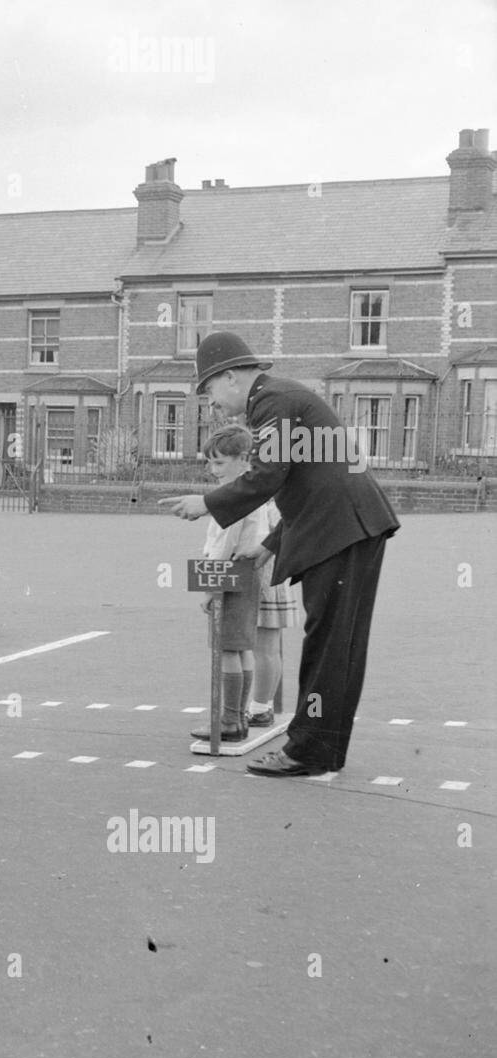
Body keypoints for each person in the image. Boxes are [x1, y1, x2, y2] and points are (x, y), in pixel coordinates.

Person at [162, 331, 399, 777]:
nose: (211, 403)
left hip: (342, 530)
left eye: (209, 390)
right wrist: (267, 546)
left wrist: (207, 502)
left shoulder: (271, 402)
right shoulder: (284, 397)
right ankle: (323, 750)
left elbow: (270, 476)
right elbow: (305, 479)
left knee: (327, 646)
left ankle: (307, 752)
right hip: (353, 526)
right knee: (340, 647)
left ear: (230, 376)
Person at [185, 426, 269, 743]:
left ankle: (230, 721)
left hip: (231, 570)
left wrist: (211, 588)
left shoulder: (233, 499)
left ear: (243, 460)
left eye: (219, 463)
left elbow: (223, 545)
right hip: (248, 570)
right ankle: (239, 716)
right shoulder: (250, 494)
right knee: (241, 647)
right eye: (210, 463)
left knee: (226, 649)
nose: (212, 470)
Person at [249, 498, 299, 728]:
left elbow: (278, 538)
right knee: (268, 647)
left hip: (268, 578)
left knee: (265, 648)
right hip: (274, 577)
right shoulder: (274, 501)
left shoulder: (272, 504)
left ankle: (260, 708)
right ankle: (264, 705)